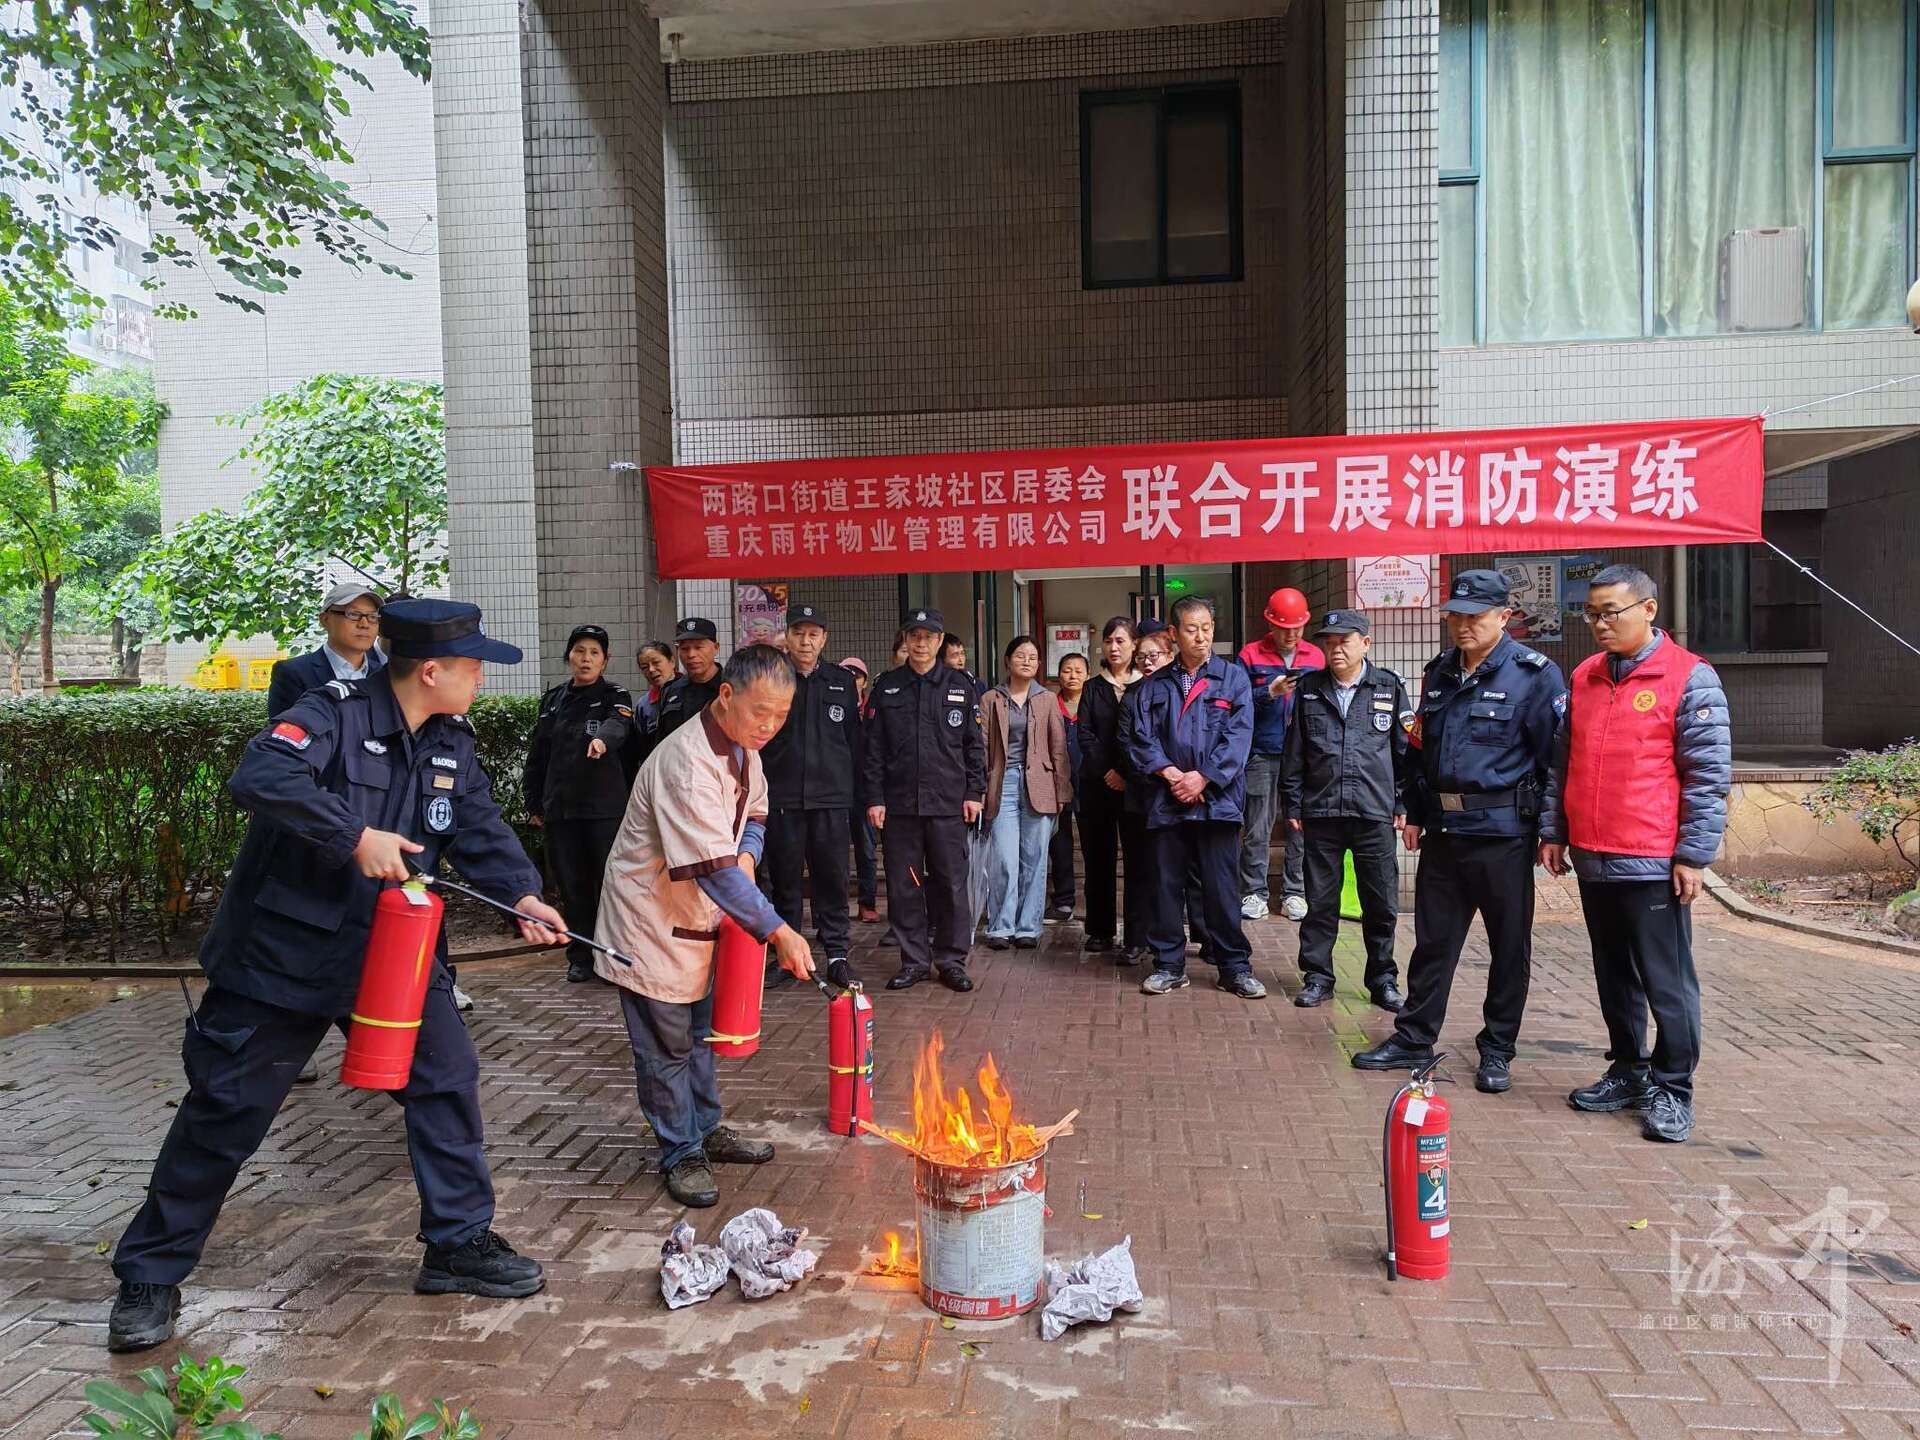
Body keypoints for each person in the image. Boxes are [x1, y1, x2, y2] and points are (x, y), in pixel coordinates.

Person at [107, 600, 567, 1353]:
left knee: (445, 1076)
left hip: (392, 953)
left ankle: (457, 1243)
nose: (482, 678)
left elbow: (477, 825)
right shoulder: (331, 711)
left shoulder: (449, 741)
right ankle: (150, 1273)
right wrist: (352, 835)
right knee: (225, 1111)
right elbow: (260, 774)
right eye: (475, 665)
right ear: (431, 670)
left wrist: (521, 892)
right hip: (281, 957)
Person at [595, 645, 817, 1207]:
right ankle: (680, 1149)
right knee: (665, 1044)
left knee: (700, 1035)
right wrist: (779, 931)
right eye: (759, 711)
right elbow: (716, 872)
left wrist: (748, 853)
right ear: (726, 695)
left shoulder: (745, 750)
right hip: (649, 923)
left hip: (697, 918)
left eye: (781, 715)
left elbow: (758, 813)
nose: (769, 726)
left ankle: (705, 1127)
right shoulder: (686, 761)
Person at [1352, 571, 1566, 1092]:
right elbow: (1422, 748)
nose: (1462, 624)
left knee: (1507, 947)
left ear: (1503, 617)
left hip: (1502, 832)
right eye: (1456, 614)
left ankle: (1496, 1048)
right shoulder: (1440, 671)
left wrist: (1551, 829)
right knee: (1433, 942)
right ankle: (1414, 1037)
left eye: (1475, 615)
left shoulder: (1534, 675)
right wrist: (1416, 810)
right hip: (1444, 830)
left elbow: (1556, 759)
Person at [1538, 565, 1730, 1144]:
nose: (1599, 624)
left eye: (1610, 612)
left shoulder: (1690, 678)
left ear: (1648, 609)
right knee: (1613, 974)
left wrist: (1692, 855)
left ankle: (1673, 1088)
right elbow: (1561, 762)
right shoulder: (1585, 677)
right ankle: (1628, 1068)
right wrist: (1555, 830)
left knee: (1666, 980)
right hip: (1594, 855)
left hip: (1652, 859)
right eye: (1591, 614)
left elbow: (1707, 776)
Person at [1125, 597, 1262, 999]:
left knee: (1221, 889)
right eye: (1191, 629)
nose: (1201, 637)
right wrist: (1171, 775)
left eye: (1207, 628)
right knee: (1166, 887)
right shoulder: (1154, 686)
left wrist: (1202, 779)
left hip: (1216, 803)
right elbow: (1140, 739)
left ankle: (1233, 966)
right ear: (1173, 634)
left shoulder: (1233, 679)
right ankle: (1169, 965)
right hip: (1167, 802)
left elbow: (1239, 739)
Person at [1281, 609, 1409, 1011]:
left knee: (1381, 902)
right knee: (1321, 901)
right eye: (1329, 642)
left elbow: (1404, 752)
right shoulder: (1310, 689)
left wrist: (1403, 801)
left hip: (1374, 813)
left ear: (1365, 643)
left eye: (1344, 641)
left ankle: (1383, 979)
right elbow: (1295, 751)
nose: (1335, 649)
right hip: (1322, 812)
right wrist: (1293, 801)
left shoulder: (1388, 687)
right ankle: (1318, 977)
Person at [863, 607, 986, 993]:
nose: (921, 643)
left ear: (939, 640)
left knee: (951, 884)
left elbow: (974, 746)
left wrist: (974, 793)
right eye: (914, 636)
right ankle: (914, 960)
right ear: (906, 640)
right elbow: (873, 750)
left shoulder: (960, 685)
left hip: (948, 804)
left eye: (928, 636)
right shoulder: (887, 687)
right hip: (900, 806)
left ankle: (951, 960)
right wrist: (874, 798)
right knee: (904, 886)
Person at [523, 624, 636, 984]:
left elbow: (617, 727)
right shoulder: (553, 699)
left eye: (594, 653)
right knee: (572, 886)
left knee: (608, 883)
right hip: (561, 810)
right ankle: (581, 955)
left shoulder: (615, 695)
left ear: (605, 660)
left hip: (602, 811)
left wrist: (602, 741)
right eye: (580, 651)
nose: (586, 659)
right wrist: (534, 801)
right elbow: (538, 756)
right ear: (569, 655)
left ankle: (611, 955)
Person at [760, 604, 863, 990]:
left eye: (813, 634)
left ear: (824, 639)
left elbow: (854, 744)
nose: (806, 641)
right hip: (781, 797)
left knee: (832, 879)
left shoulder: (841, 682)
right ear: (787, 636)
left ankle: (836, 953)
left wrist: (857, 798)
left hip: (831, 800)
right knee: (785, 882)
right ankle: (785, 957)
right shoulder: (771, 679)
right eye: (798, 632)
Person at [1235, 588, 1324, 924]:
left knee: (1299, 825)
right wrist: (1269, 692)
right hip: (1262, 751)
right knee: (1258, 826)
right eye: (1284, 628)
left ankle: (1295, 892)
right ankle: (1254, 892)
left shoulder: (1316, 656)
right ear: (1270, 624)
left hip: (1306, 755)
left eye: (1298, 628)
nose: (1291, 635)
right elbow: (1237, 702)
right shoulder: (1250, 655)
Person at [979, 636, 1072, 949]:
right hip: (1001, 783)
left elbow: (1059, 748)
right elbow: (981, 747)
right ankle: (1000, 926)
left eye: (1033, 656)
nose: (1027, 661)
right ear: (1007, 661)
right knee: (1004, 858)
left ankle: (1028, 928)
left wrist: (1062, 791)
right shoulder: (991, 698)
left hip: (1040, 785)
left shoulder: (1047, 698)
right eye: (1020, 655)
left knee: (1034, 859)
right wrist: (978, 789)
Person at [1077, 619, 1145, 963]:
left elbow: (1147, 737)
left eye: (1120, 640)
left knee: (1138, 864)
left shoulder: (1146, 685)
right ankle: (1100, 930)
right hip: (1097, 787)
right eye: (1108, 641)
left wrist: (1127, 774)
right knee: (1098, 861)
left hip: (1137, 789)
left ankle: (1136, 936)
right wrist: (1107, 772)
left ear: (1134, 645)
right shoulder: (1092, 688)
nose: (1113, 647)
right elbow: (1085, 735)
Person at [265, 581, 386, 716]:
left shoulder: (385, 675)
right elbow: (284, 733)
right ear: (325, 619)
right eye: (353, 614)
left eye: (373, 617)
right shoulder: (293, 673)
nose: (364, 624)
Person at [1047, 652, 1089, 925]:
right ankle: (1063, 901)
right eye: (1066, 670)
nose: (1072, 676)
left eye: (1078, 670)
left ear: (1087, 674)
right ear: (1058, 674)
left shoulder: (1094, 703)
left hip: (1091, 781)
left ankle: (1096, 902)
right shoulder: (1050, 704)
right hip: (1057, 783)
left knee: (1092, 843)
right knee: (1059, 842)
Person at [645, 617, 724, 758]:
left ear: (716, 648)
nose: (691, 655)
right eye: (684, 648)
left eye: (698, 647)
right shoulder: (672, 691)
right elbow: (662, 743)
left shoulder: (733, 688)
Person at [841, 656, 881, 924]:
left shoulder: (873, 708)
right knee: (835, 850)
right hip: (837, 788)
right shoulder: (833, 705)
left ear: (865, 680)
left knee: (867, 849)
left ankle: (867, 903)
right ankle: (836, 906)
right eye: (847, 675)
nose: (852, 681)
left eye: (857, 676)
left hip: (865, 789)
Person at [635, 640, 678, 731]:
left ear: (672, 662)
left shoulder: (691, 690)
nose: (651, 670)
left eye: (656, 662)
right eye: (644, 667)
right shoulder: (643, 705)